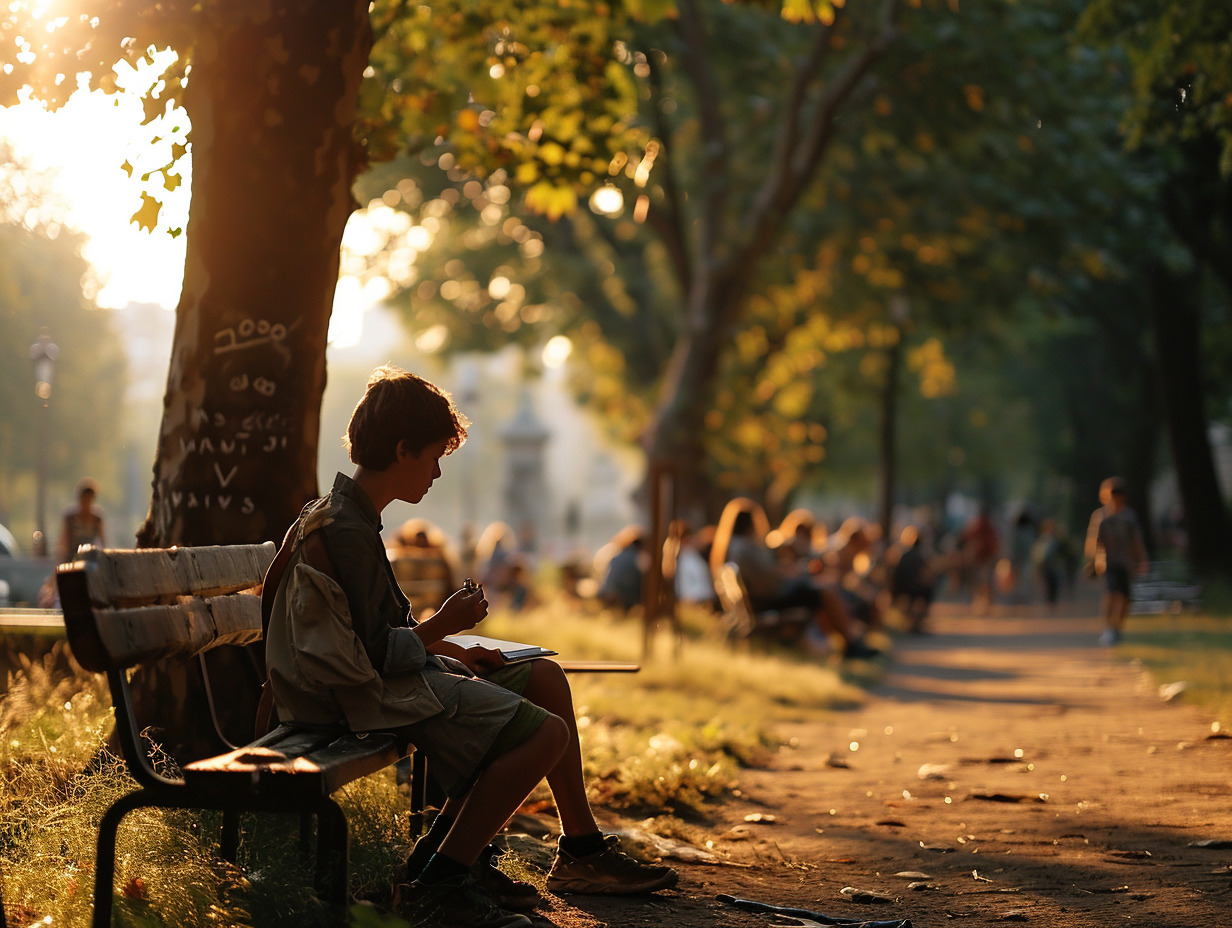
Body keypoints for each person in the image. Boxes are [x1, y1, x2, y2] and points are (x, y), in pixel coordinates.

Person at [263, 366, 676, 928]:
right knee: (544, 735)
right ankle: (440, 882)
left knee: (546, 680)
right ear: (403, 450)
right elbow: (376, 655)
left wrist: (457, 651)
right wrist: (445, 623)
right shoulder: (346, 530)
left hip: (379, 679)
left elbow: (378, 638)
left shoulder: (350, 515)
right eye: (433, 457)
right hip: (358, 698)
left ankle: (577, 852)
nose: (436, 473)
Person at [709, 497, 879, 660]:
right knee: (823, 592)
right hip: (767, 602)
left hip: (759, 602)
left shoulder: (733, 546)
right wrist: (795, 573)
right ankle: (850, 643)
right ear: (751, 522)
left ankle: (846, 642)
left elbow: (766, 576)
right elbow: (771, 581)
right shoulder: (745, 548)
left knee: (821, 591)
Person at [1084, 477, 1148, 645]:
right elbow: (1094, 542)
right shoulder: (1101, 517)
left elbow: (1136, 540)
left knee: (1125, 597)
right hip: (1107, 563)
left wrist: (1142, 559)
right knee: (1113, 594)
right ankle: (1109, 628)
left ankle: (1117, 627)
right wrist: (1092, 562)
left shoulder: (1129, 516)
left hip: (1126, 563)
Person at [58, 478, 105, 562]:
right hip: (72, 556)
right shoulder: (70, 518)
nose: (86, 502)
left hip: (90, 557)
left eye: (89, 499)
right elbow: (64, 541)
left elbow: (103, 540)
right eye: (84, 498)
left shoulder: (97, 518)